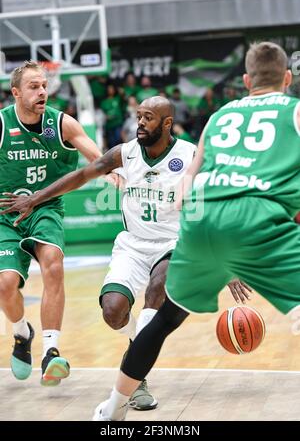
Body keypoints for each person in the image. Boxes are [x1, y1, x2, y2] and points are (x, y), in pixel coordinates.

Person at [0, 95, 250, 410]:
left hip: (173, 243)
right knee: (113, 311)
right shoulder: (125, 153)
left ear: (167, 124)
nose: (140, 123)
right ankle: (137, 351)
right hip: (132, 245)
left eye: (148, 118)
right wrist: (36, 198)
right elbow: (80, 176)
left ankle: (133, 378)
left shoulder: (190, 156)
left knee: (158, 288)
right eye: (138, 116)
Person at [0, 60, 105, 387]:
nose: (42, 91)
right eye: (33, 86)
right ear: (16, 92)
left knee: (54, 265)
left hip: (44, 208)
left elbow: (97, 158)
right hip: (5, 215)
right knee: (4, 286)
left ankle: (51, 351)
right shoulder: (2, 125)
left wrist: (113, 172)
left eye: (44, 85)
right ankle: (21, 334)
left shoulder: (61, 124)